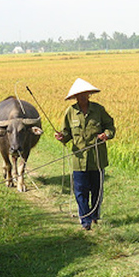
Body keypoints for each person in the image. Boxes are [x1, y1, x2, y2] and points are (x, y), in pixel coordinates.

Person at [54, 78, 116, 230]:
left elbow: (110, 126)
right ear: (75, 97)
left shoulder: (99, 110)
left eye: (85, 94)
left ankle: (94, 216)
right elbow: (67, 134)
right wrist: (62, 137)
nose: (82, 96)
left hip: (97, 158)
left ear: (89, 94)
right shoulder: (70, 112)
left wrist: (106, 135)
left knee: (96, 190)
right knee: (80, 191)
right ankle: (85, 221)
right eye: (79, 95)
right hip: (79, 159)